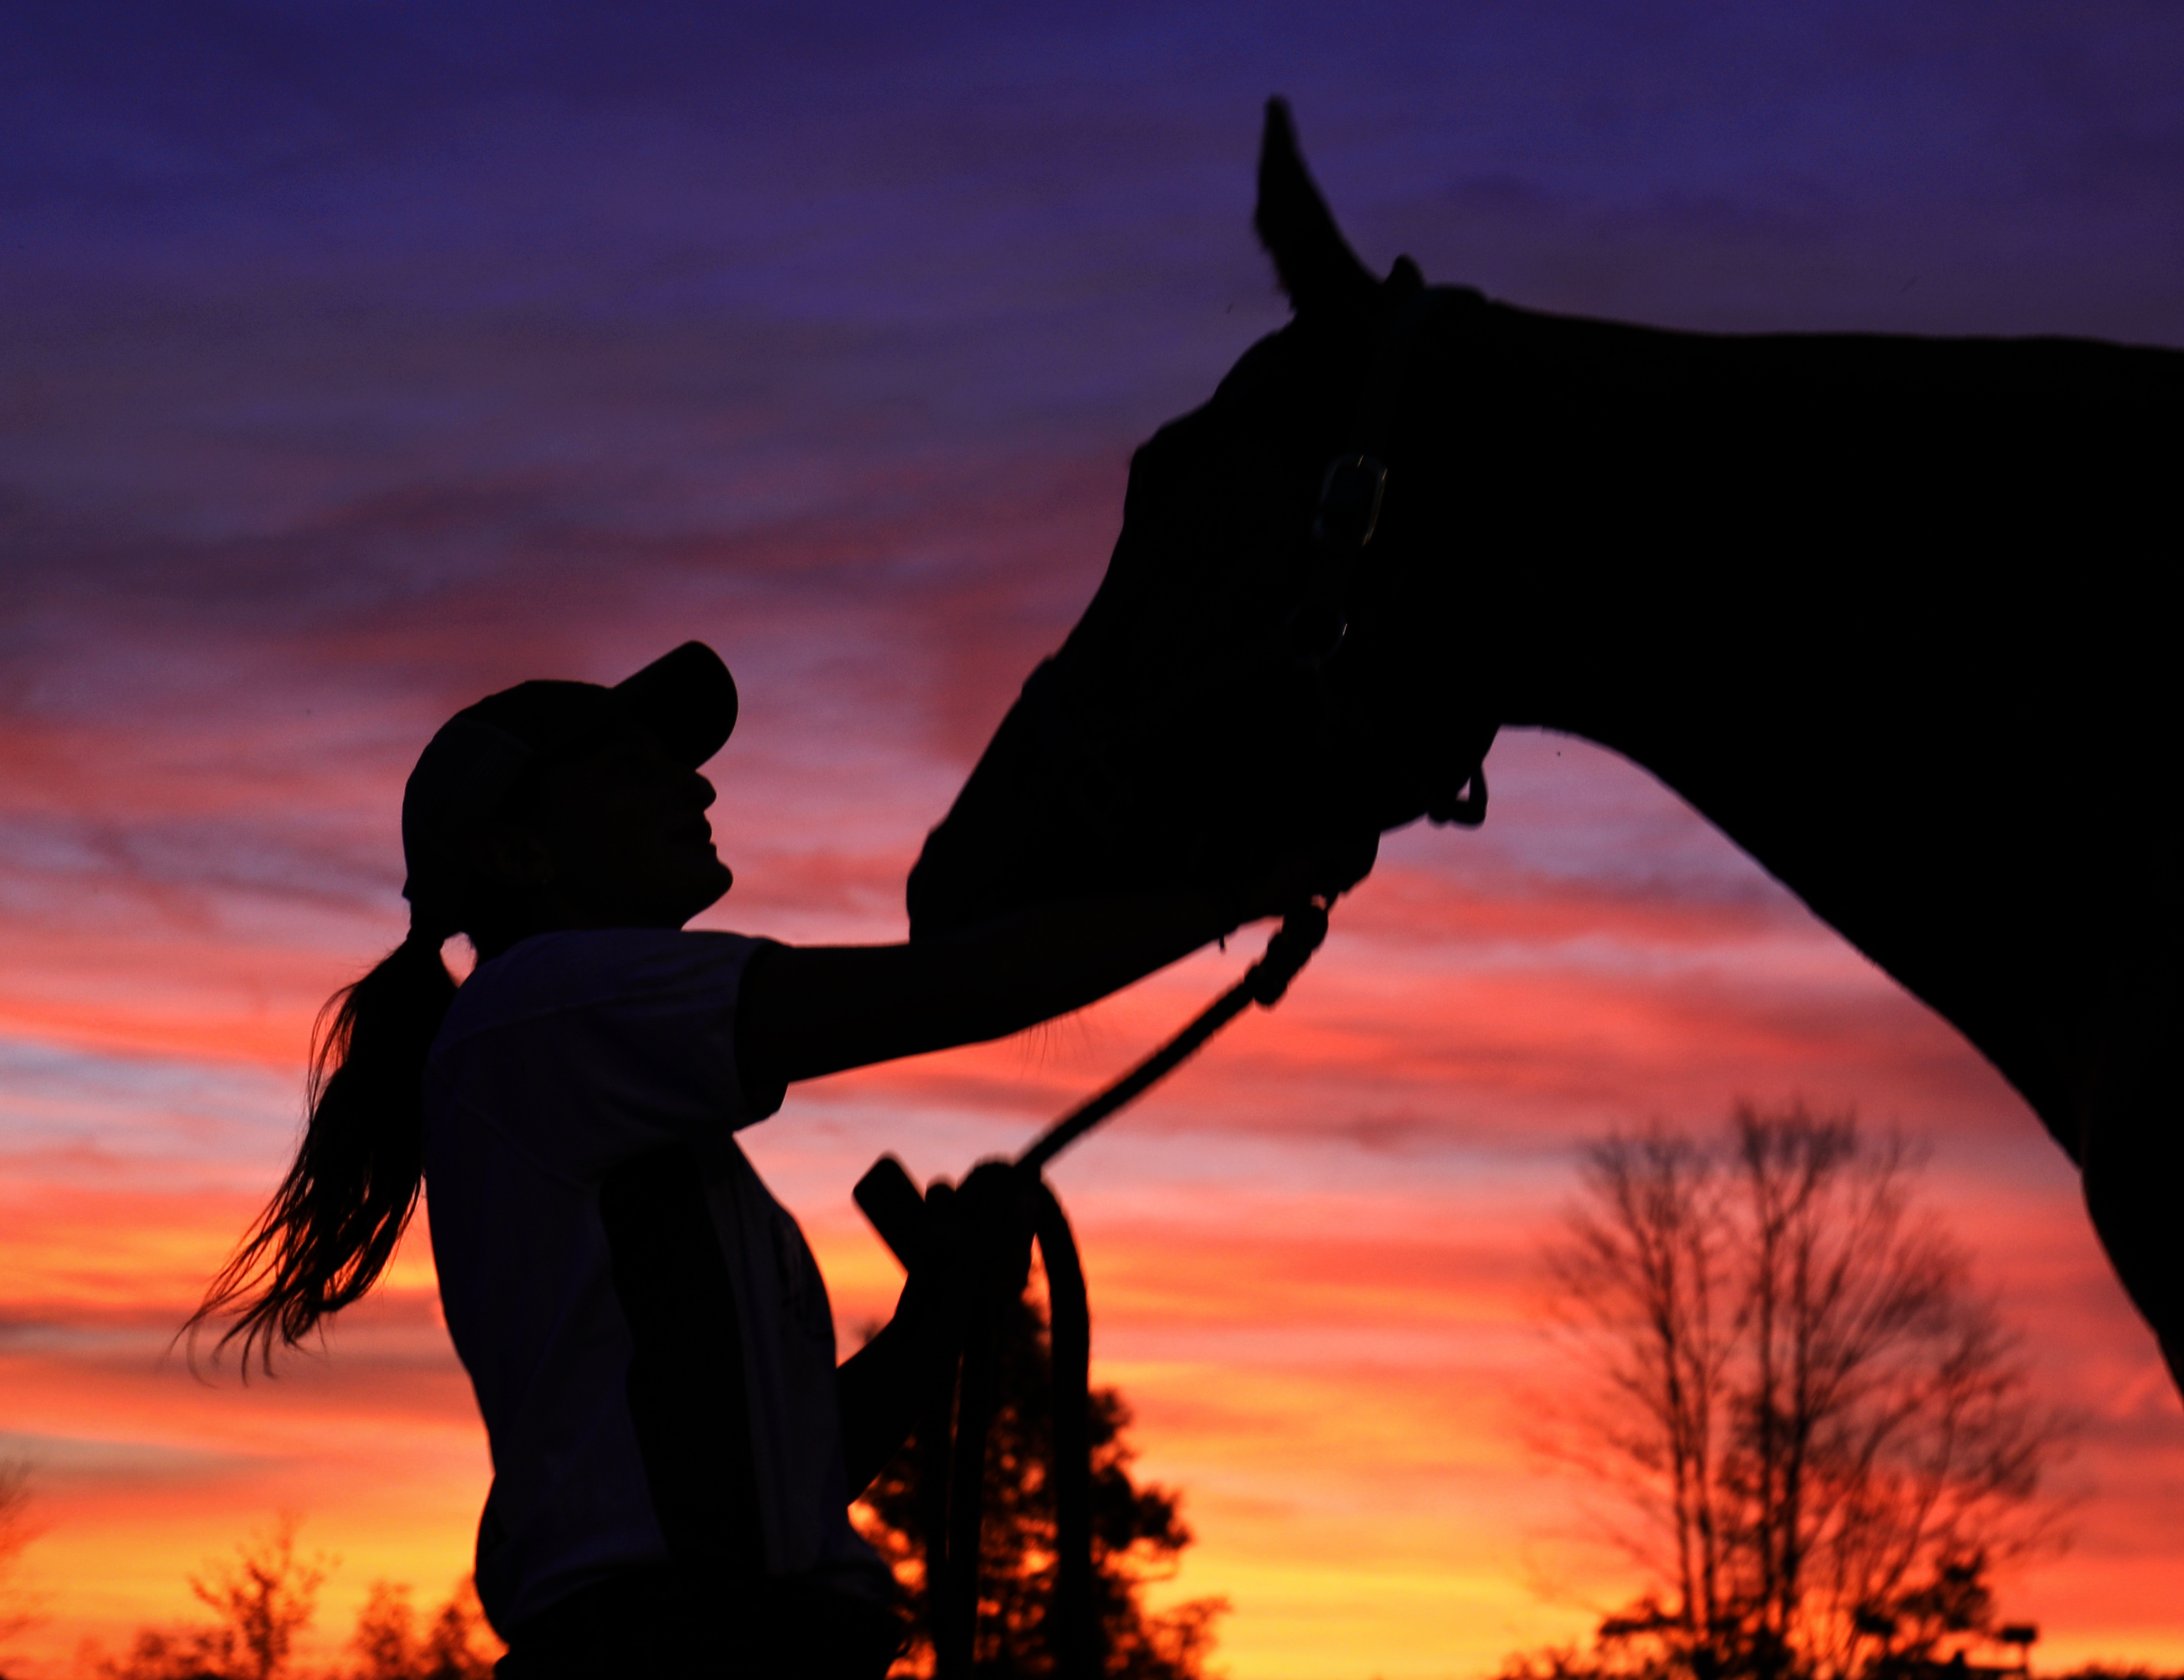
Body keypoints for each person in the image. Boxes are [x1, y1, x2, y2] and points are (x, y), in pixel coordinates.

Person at [188, 642, 1349, 1678]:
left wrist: (931, 1323)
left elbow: (795, 1473)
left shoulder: (643, 1125)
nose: (694, 784)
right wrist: (1228, 892)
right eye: (637, 768)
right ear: (521, 847)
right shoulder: (531, 1013)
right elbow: (949, 989)